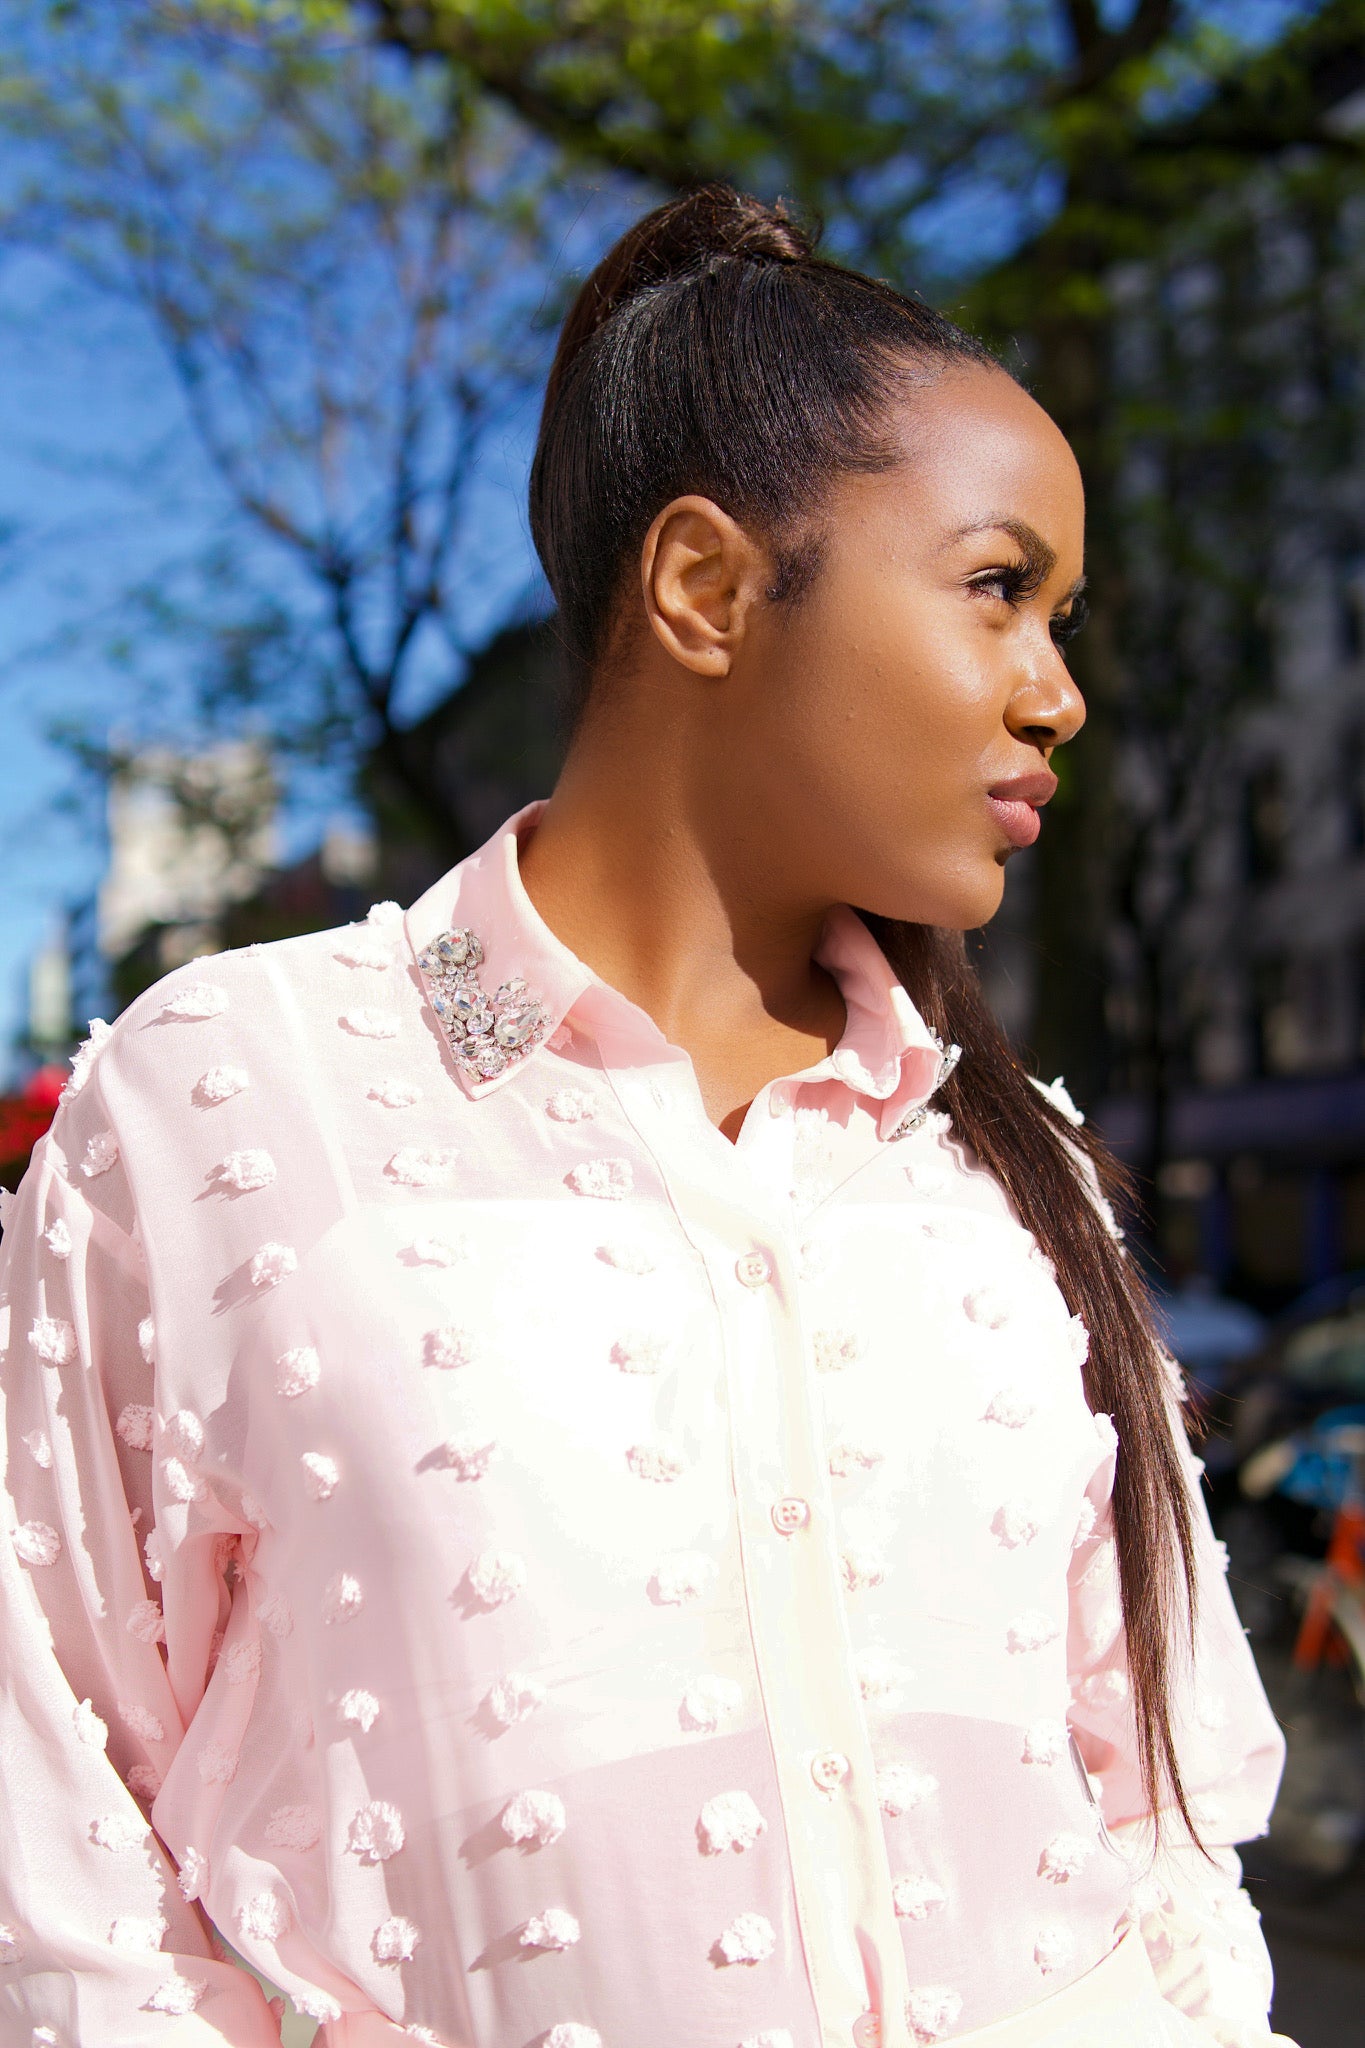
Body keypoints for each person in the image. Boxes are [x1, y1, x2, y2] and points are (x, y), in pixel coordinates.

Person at [0, 185, 1292, 2048]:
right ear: (704, 588)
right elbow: (62, 1861)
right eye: (999, 586)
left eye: (1062, 615)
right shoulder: (224, 1101)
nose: (1057, 691)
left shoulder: (1020, 1182)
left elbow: (1159, 1847)